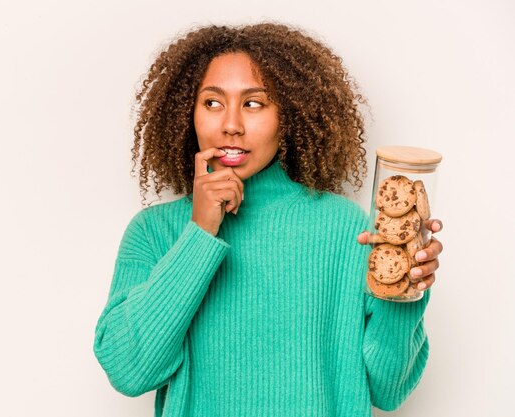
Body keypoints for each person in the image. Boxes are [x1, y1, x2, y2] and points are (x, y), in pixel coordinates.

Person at [93, 22, 443, 417]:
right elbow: (128, 371)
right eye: (212, 103)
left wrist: (405, 288)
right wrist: (200, 232)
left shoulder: (349, 229)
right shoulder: (155, 233)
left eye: (254, 103)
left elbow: (388, 389)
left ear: (288, 116)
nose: (231, 125)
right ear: (187, 113)